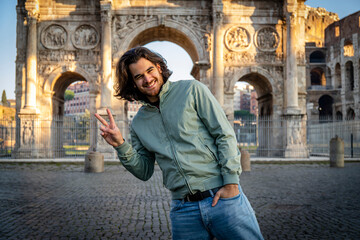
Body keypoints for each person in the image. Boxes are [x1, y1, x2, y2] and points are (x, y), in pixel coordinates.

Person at [95, 46, 264, 240]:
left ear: (159, 68)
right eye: (139, 76)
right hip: (183, 210)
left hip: (223, 197)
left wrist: (232, 183)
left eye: (150, 71)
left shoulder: (192, 90)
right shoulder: (139, 122)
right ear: (133, 83)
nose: (147, 79)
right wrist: (120, 144)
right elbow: (144, 171)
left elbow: (224, 135)